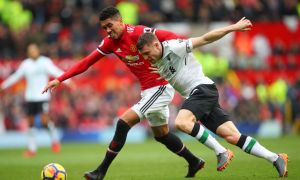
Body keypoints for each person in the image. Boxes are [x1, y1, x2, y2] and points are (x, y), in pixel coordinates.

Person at [42, 7, 233, 180]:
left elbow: (172, 36)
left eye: (110, 25)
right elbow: (87, 61)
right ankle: (194, 161)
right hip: (147, 91)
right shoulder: (109, 42)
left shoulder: (139, 33)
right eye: (104, 27)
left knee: (123, 122)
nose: (108, 30)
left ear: (120, 21)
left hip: (160, 87)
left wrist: (172, 57)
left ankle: (101, 171)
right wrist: (61, 78)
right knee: (162, 135)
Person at [136, 17, 289, 178]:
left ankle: (221, 152)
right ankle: (276, 158)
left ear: (155, 44)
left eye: (147, 53)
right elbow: (175, 71)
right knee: (232, 136)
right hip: (203, 95)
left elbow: (205, 38)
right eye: (144, 55)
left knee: (182, 122)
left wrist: (233, 27)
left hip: (202, 90)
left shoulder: (174, 46)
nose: (147, 58)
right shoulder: (158, 61)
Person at [0, 43, 65, 157]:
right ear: (28, 52)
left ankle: (54, 141)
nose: (32, 52)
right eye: (30, 50)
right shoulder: (25, 64)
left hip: (43, 96)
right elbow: (16, 76)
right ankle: (32, 149)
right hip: (30, 97)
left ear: (38, 51)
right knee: (30, 123)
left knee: (44, 121)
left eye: (34, 50)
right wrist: (4, 85)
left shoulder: (45, 62)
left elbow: (56, 71)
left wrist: (68, 80)